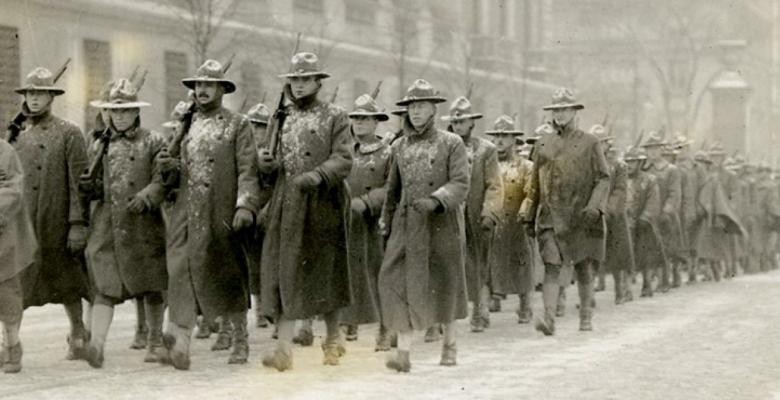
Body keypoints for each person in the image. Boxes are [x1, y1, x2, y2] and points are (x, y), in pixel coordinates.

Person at [155, 59, 260, 370]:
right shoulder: (186, 125)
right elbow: (174, 177)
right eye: (198, 85)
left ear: (222, 90)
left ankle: (240, 336)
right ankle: (181, 344)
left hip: (221, 210)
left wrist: (245, 205)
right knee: (179, 274)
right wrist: (167, 169)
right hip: (187, 212)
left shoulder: (237, 124)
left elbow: (248, 170)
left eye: (208, 85)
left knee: (228, 274)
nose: (202, 90)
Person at [258, 52, 353, 371]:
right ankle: (283, 349)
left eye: (305, 79)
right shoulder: (280, 117)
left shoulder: (335, 116)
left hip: (323, 204)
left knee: (325, 274)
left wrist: (317, 175)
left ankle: (332, 340)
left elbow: (343, 159)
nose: (299, 85)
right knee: (284, 273)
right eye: (294, 80)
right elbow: (268, 161)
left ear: (317, 82)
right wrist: (266, 165)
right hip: (287, 205)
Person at [380, 79, 469, 372]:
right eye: (411, 107)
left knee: (445, 282)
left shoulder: (451, 143)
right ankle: (403, 354)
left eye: (421, 106)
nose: (415, 112)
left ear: (434, 109)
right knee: (396, 281)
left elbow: (460, 183)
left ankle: (450, 344)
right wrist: (386, 219)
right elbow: (392, 188)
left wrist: (436, 199)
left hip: (441, 223)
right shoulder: (399, 146)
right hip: (407, 225)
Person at [78, 78, 168, 368]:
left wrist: (148, 196)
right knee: (105, 287)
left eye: (126, 111)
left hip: (144, 225)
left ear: (136, 113)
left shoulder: (153, 141)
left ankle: (155, 341)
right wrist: (88, 186)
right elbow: (93, 186)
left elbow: (162, 180)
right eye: (115, 112)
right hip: (108, 227)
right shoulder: (98, 146)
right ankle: (97, 346)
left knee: (152, 285)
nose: (120, 117)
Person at [9, 67, 92, 360]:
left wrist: (77, 224)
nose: (34, 99)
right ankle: (11, 344)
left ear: (51, 97)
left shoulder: (69, 132)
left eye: (40, 93)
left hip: (57, 222)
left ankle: (79, 333)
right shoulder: (14, 133)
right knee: (15, 284)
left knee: (68, 283)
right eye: (30, 93)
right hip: (23, 222)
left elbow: (79, 183)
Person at [522, 88, 610, 335]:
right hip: (550, 216)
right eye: (556, 110)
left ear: (574, 111)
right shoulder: (543, 144)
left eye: (565, 109)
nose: (560, 114)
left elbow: (604, 178)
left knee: (582, 266)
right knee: (551, 265)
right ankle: (549, 319)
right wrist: (529, 215)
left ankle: (585, 316)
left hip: (581, 215)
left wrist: (594, 206)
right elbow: (534, 184)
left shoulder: (590, 143)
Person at [442, 96, 501, 333]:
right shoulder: (443, 146)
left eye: (462, 121)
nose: (458, 126)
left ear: (471, 123)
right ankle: (440, 318)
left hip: (476, 215)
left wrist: (490, 212)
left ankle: (480, 310)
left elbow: (494, 184)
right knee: (445, 263)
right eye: (455, 122)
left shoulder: (486, 149)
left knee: (478, 264)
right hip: (449, 214)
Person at [340, 93, 392, 349]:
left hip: (375, 224)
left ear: (376, 122)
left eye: (365, 118)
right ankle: (347, 324)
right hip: (347, 223)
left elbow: (392, 187)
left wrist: (368, 201)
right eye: (356, 118)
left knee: (378, 276)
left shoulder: (386, 153)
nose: (359, 123)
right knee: (347, 275)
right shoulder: (343, 151)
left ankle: (385, 328)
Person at [485, 115, 535, 323]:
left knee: (522, 262)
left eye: (504, 136)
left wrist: (526, 209)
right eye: (496, 136)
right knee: (489, 262)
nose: (499, 141)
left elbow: (531, 192)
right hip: (494, 221)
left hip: (517, 221)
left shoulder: (526, 166)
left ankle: (525, 305)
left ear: (513, 139)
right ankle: (487, 305)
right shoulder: (488, 165)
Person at [0, 138, 37, 374]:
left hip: (2, 233)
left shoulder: (4, 151)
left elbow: (13, 187)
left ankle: (12, 344)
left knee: (6, 292)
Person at [591, 125, 635, 304]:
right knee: (591, 255)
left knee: (618, 255)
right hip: (594, 214)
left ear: (607, 145)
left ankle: (620, 289)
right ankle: (589, 295)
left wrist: (608, 209)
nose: (599, 147)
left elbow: (619, 191)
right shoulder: (588, 165)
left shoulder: (619, 166)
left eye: (602, 143)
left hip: (614, 216)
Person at [640, 133, 684, 292]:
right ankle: (651, 281)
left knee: (666, 248)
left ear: (661, 150)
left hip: (665, 216)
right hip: (649, 215)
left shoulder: (671, 170)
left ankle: (665, 280)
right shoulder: (644, 169)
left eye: (655, 149)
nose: (652, 152)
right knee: (649, 248)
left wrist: (667, 211)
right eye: (649, 149)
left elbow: (675, 193)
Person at [623, 146, 665, 297]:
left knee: (646, 254)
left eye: (633, 162)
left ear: (640, 163)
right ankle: (625, 289)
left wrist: (645, 217)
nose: (629, 165)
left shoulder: (649, 180)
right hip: (624, 223)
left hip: (643, 224)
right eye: (627, 161)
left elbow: (653, 201)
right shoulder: (620, 179)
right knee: (624, 256)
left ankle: (647, 284)